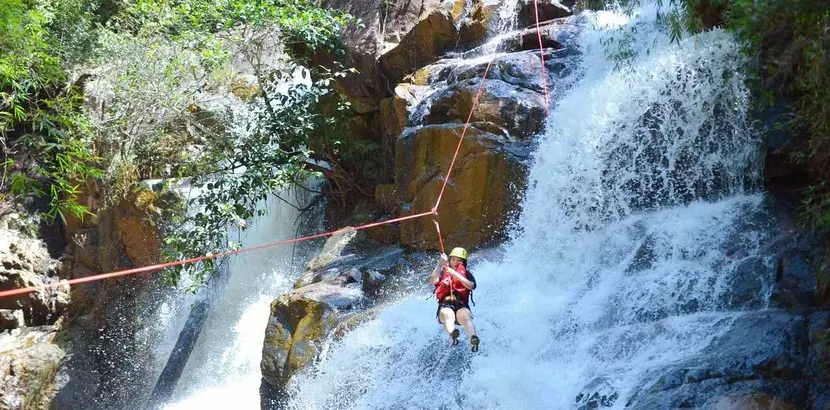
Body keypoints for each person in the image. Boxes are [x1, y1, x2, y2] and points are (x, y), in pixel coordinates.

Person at [429, 247, 480, 352]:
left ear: (464, 262)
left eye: (459, 260)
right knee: (448, 314)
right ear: (449, 260)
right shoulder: (443, 271)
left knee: (465, 315)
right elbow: (433, 281)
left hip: (461, 304)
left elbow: (471, 285)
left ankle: (473, 338)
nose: (456, 262)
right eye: (453, 260)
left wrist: (456, 274)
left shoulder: (467, 274)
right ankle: (453, 334)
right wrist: (440, 264)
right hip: (446, 304)